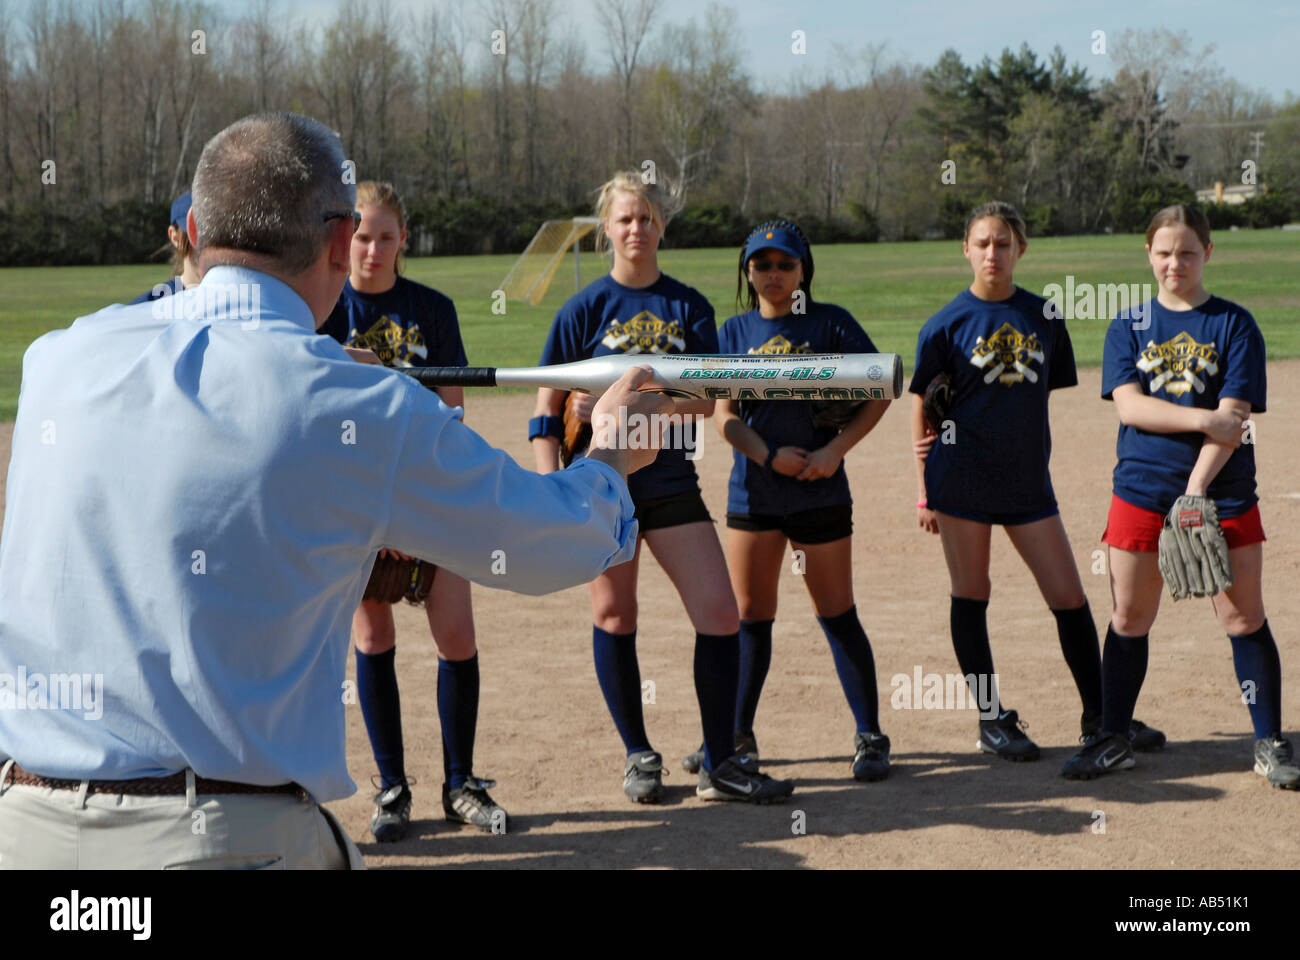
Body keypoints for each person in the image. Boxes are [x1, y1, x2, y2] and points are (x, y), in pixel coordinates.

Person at [0, 112, 666, 869]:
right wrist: (610, 454)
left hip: (26, 839)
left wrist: (322, 373)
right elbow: (550, 541)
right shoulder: (362, 405)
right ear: (339, 240)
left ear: (193, 227)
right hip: (218, 843)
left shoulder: (59, 359)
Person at [531, 172, 794, 805]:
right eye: (624, 219)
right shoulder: (583, 310)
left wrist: (638, 402)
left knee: (720, 613)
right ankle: (638, 754)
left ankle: (721, 763)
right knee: (615, 614)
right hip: (600, 484)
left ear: (662, 227)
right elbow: (545, 409)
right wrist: (549, 487)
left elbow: (705, 401)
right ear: (607, 230)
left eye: (647, 218)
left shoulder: (687, 306)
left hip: (671, 481)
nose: (636, 229)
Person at [910, 201, 1164, 762]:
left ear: (1020, 249)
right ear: (966, 250)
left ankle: (1101, 715)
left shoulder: (1044, 316)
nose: (992, 253)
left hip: (1027, 483)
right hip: (962, 483)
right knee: (972, 595)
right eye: (982, 243)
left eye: (1003, 243)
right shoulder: (946, 324)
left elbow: (1034, 398)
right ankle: (991, 719)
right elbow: (922, 408)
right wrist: (925, 488)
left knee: (1069, 596)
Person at [1061, 204, 1297, 787]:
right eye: (1164, 252)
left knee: (1243, 617)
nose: (1175, 263)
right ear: (1148, 255)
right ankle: (1114, 736)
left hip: (1224, 494)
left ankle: (1269, 741)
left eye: (1187, 252)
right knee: (1129, 616)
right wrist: (1199, 422)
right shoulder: (1130, 325)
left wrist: (1195, 491)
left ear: (1208, 254)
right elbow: (1130, 406)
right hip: (1141, 491)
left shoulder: (1234, 324)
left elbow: (1235, 419)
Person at [320, 180, 507, 840]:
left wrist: (412, 506)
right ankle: (393, 789)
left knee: (456, 638)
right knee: (374, 639)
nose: (371, 248)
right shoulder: (324, 309)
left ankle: (460, 784)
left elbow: (453, 411)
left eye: (385, 236)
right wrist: (381, 512)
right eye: (361, 235)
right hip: (360, 503)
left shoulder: (430, 307)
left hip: (428, 493)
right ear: (345, 237)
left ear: (405, 240)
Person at [681, 219, 892, 782]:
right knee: (749, 618)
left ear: (804, 270)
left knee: (837, 612)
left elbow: (882, 391)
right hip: (755, 490)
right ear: (747, 272)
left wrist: (836, 451)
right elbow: (723, 418)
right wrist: (769, 455)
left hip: (821, 487)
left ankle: (870, 735)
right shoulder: (731, 332)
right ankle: (733, 738)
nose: (773, 275)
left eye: (785, 264)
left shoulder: (832, 324)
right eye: (761, 265)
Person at [128, 191, 200, 304]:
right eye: (196, 234)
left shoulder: (235, 301)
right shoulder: (147, 306)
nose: (208, 246)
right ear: (175, 237)